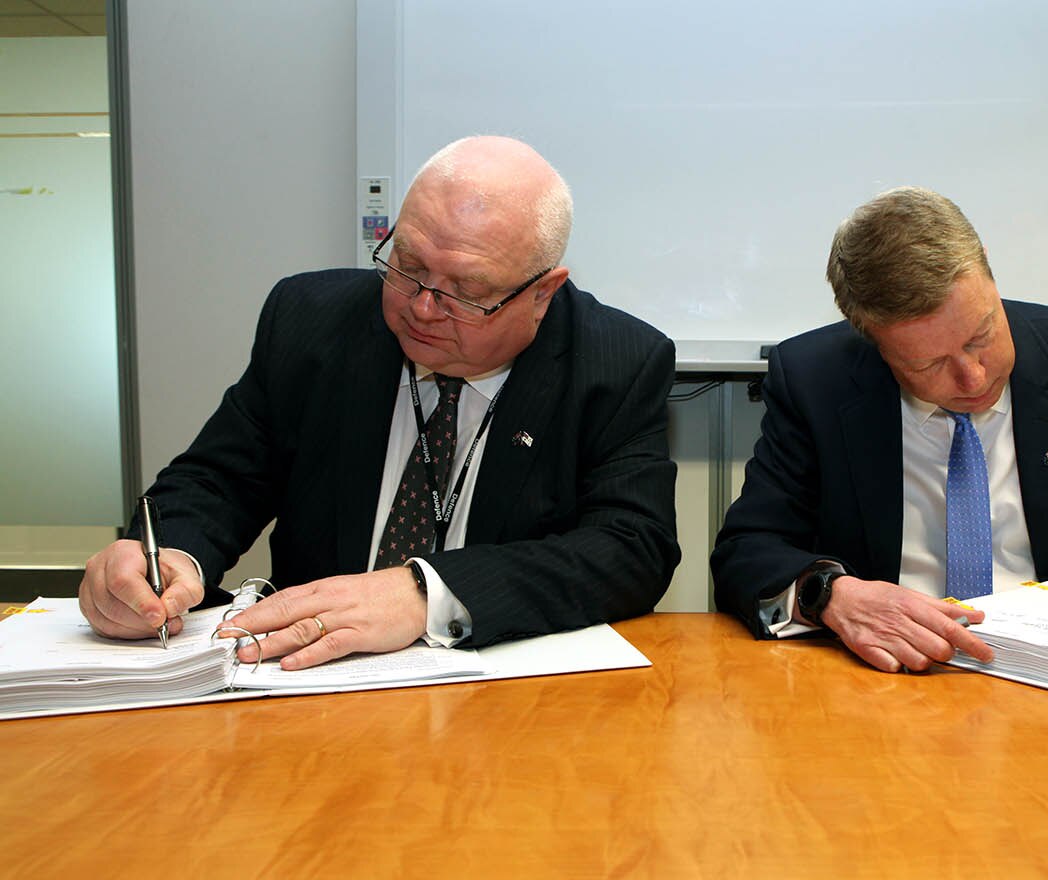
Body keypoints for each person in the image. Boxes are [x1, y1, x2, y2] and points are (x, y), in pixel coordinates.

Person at [79, 136, 681, 669]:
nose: (421, 308)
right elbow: (219, 479)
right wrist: (170, 560)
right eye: (408, 266)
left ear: (543, 293)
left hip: (503, 697)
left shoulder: (615, 360)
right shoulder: (311, 321)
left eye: (466, 293)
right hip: (310, 679)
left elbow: (631, 548)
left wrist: (428, 593)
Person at [710, 187, 1048, 673]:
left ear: (988, 271)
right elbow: (746, 550)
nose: (973, 376)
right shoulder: (815, 380)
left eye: (981, 336)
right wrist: (830, 594)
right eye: (928, 364)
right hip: (890, 676)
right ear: (873, 343)